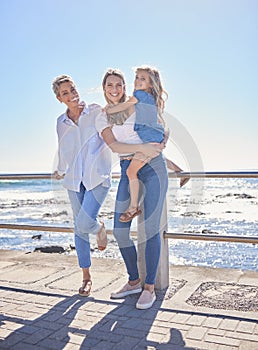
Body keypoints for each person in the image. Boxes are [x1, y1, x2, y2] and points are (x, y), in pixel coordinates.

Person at [96, 68, 168, 309]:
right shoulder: (102, 115)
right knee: (120, 229)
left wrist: (162, 140)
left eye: (119, 84)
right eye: (110, 86)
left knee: (150, 229)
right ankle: (134, 281)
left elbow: (159, 125)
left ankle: (149, 288)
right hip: (130, 168)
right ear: (104, 88)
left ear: (125, 86)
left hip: (153, 167)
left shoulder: (135, 104)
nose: (114, 89)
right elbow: (114, 146)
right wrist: (143, 150)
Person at [52, 74, 112, 297]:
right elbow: (62, 147)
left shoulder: (95, 111)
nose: (72, 94)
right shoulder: (61, 122)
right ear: (60, 98)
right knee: (79, 229)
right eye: (65, 93)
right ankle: (86, 277)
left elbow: (112, 129)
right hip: (74, 180)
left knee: (85, 222)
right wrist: (60, 169)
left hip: (98, 177)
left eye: (73, 89)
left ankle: (99, 228)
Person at [105, 66, 189, 223]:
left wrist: (108, 110)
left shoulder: (139, 95)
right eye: (136, 77)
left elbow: (124, 106)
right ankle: (180, 171)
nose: (137, 81)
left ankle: (133, 207)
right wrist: (162, 139)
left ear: (151, 84)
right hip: (153, 138)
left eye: (142, 79)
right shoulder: (151, 99)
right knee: (156, 155)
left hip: (149, 139)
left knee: (131, 172)